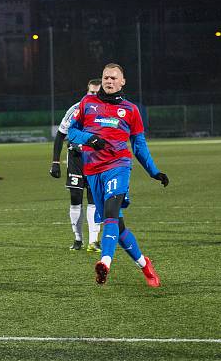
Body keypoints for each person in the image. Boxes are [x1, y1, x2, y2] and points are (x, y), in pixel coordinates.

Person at [67, 63, 169, 286]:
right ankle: (144, 264)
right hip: (93, 171)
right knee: (117, 226)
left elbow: (139, 145)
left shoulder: (131, 110)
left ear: (122, 82)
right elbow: (71, 132)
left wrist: (154, 171)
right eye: (106, 77)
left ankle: (105, 262)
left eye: (113, 78)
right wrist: (88, 139)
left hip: (119, 165)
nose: (109, 81)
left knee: (112, 212)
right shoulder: (87, 103)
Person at [51, 79, 102, 252]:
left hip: (95, 159)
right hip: (76, 159)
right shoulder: (75, 109)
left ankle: (93, 241)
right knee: (75, 199)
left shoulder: (105, 112)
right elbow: (60, 135)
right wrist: (55, 162)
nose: (94, 96)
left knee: (94, 199)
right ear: (87, 92)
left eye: (97, 93)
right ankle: (78, 239)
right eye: (91, 93)